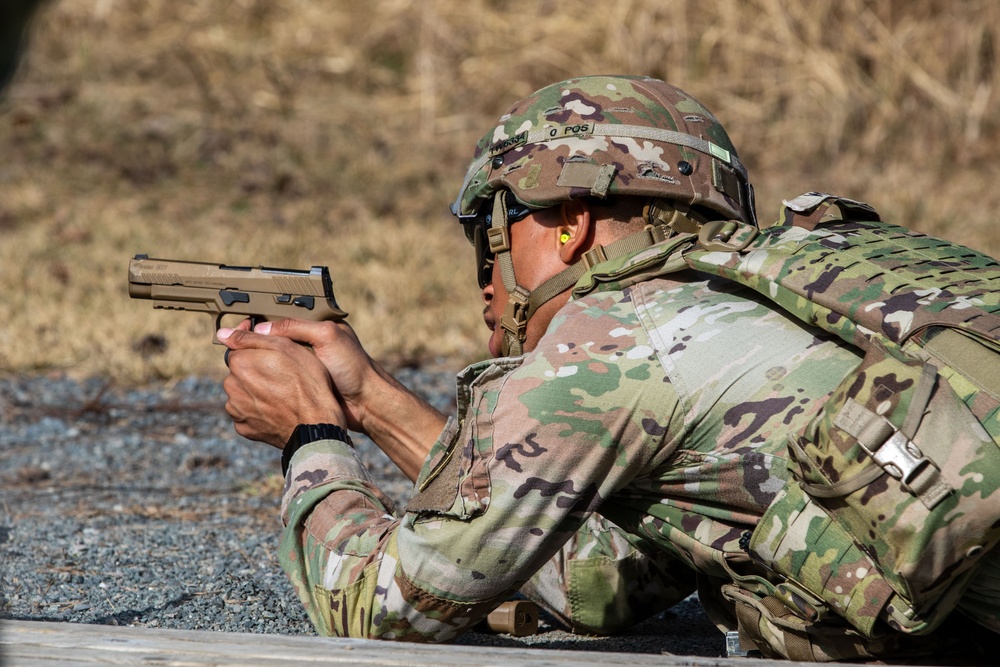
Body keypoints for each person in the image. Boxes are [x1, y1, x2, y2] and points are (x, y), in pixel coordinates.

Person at [218, 75, 1000, 660]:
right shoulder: (772, 292)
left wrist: (310, 434)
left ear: (569, 223)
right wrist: (372, 402)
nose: (488, 276)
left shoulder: (618, 335)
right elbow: (599, 579)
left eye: (491, 228)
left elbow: (379, 607)